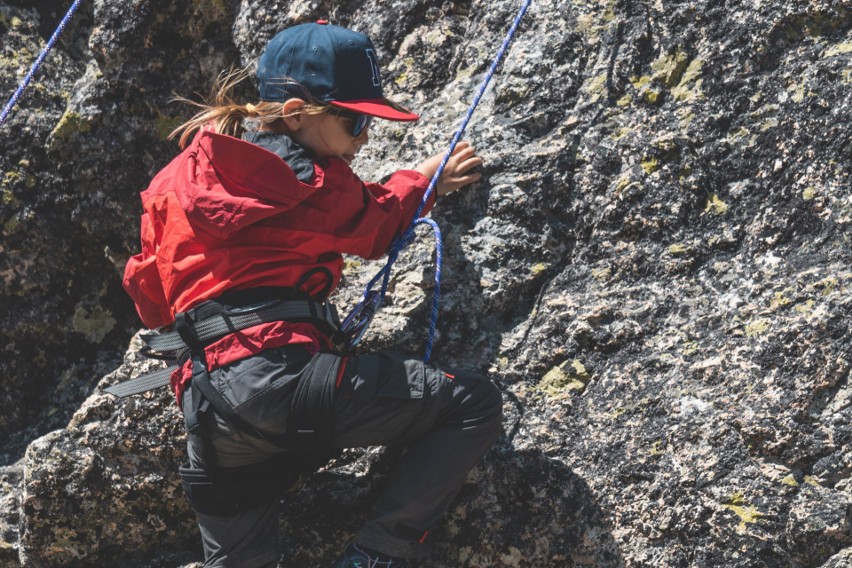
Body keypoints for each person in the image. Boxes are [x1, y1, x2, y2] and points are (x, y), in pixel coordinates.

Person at [122, 20, 503, 568]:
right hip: (285, 381)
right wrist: (424, 181)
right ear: (297, 113)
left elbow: (151, 301)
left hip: (210, 411)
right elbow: (376, 227)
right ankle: (377, 555)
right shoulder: (309, 178)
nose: (365, 136)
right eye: (354, 120)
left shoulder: (171, 183)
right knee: (471, 404)